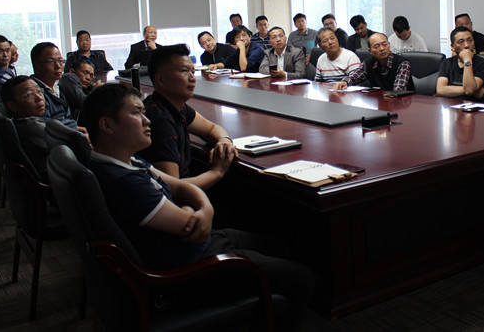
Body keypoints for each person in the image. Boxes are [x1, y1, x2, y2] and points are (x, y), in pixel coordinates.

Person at [83, 83, 314, 331]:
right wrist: (200, 210)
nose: (147, 120)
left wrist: (205, 209)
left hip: (192, 248)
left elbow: (180, 187)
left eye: (143, 112)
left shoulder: (125, 160)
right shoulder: (124, 182)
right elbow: (192, 227)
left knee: (279, 246)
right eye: (136, 113)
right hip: (187, 271)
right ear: (107, 125)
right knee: (302, 278)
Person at [139, 44, 238, 190]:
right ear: (161, 79)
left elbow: (211, 128)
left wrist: (224, 140)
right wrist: (217, 172)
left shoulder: (172, 105)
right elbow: (173, 189)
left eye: (193, 71)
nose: (192, 78)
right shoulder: (159, 120)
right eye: (184, 71)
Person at [0, 75, 50, 181]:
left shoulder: (19, 122)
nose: (39, 98)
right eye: (28, 94)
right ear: (12, 106)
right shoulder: (32, 127)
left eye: (39, 91)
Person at [334, 32, 413, 92]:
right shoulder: (368, 64)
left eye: (384, 44)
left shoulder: (402, 63)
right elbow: (355, 76)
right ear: (370, 51)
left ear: (389, 45)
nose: (382, 48)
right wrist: (345, 82)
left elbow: (398, 91)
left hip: (403, 103)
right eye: (376, 46)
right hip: (380, 103)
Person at [30, 42, 79, 127]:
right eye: (51, 62)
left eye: (60, 61)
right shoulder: (34, 92)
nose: (58, 66)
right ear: (36, 65)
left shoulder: (57, 87)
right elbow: (45, 127)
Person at [436, 26, 484, 101]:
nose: (466, 45)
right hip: (450, 104)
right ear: (453, 47)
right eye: (461, 41)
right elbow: (440, 90)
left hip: (472, 106)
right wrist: (475, 91)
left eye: (470, 40)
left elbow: (469, 90)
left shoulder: (483, 63)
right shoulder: (447, 63)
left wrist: (467, 60)